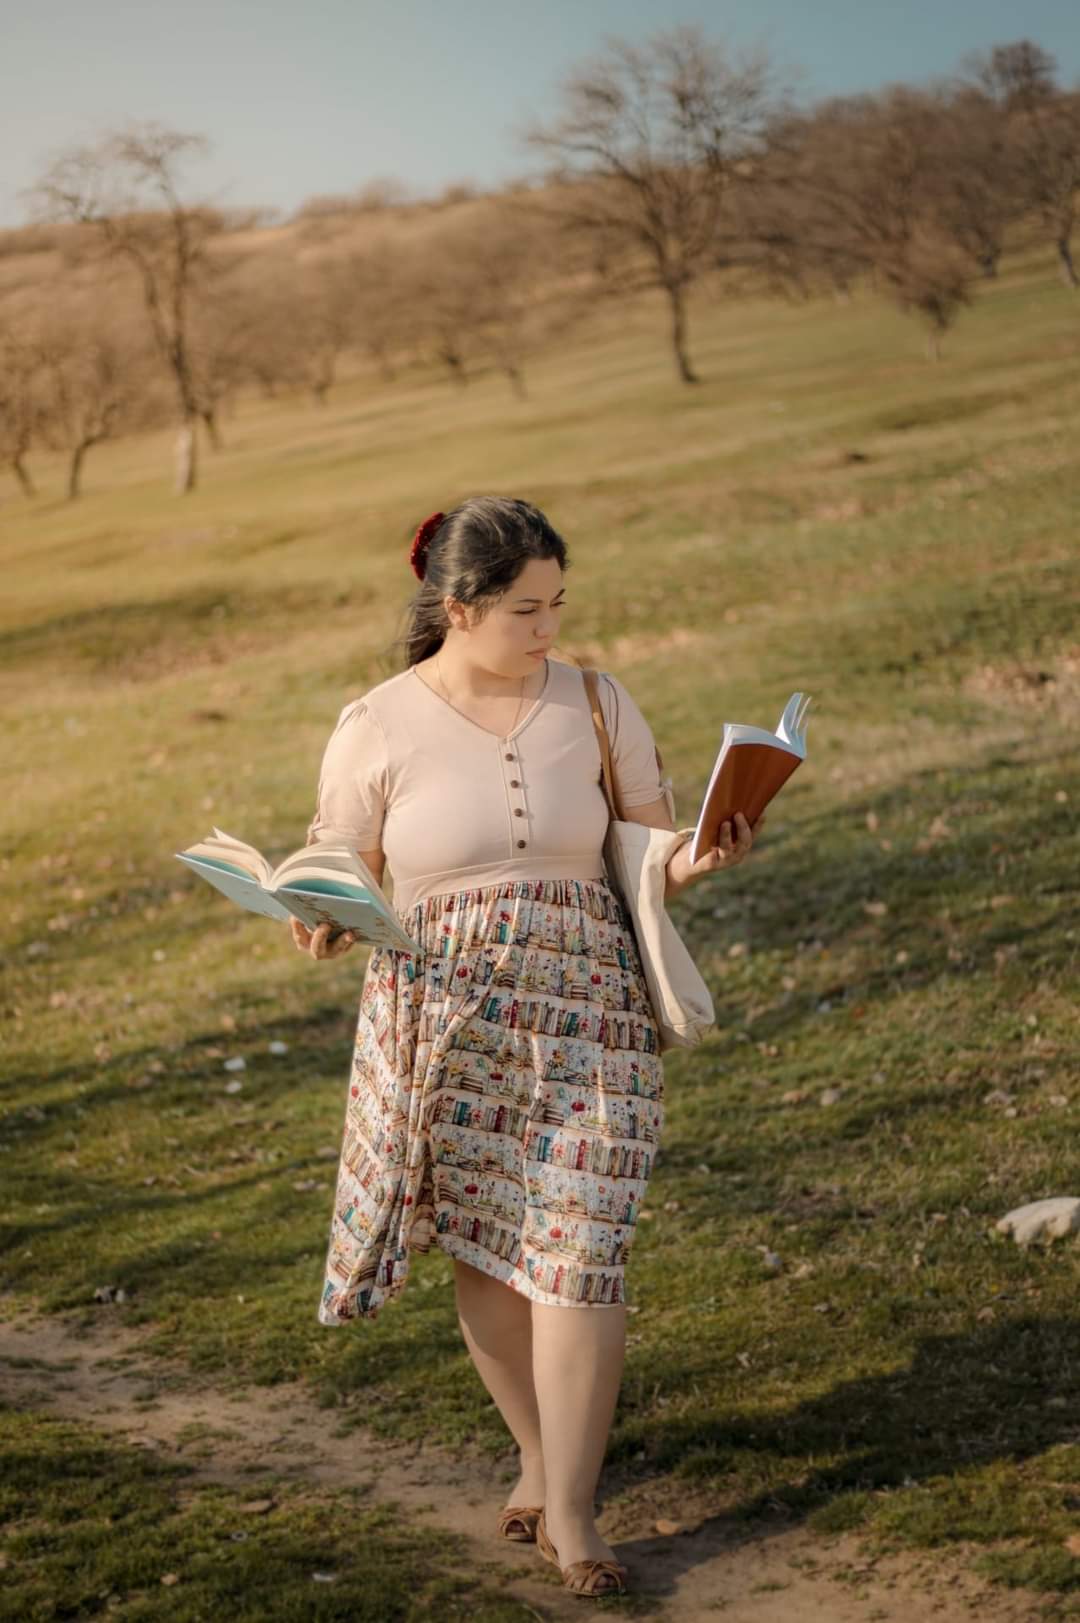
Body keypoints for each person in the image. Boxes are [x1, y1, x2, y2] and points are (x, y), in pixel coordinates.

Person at [292, 496, 764, 1597]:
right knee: (494, 1251)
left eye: (558, 605)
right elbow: (337, 861)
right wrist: (313, 909)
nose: (549, 630)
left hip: (590, 1013)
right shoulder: (376, 724)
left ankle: (576, 1514)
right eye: (524, 611)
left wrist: (703, 854)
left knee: (584, 1246)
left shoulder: (596, 700)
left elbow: (646, 841)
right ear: (458, 608)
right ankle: (540, 1457)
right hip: (446, 1020)